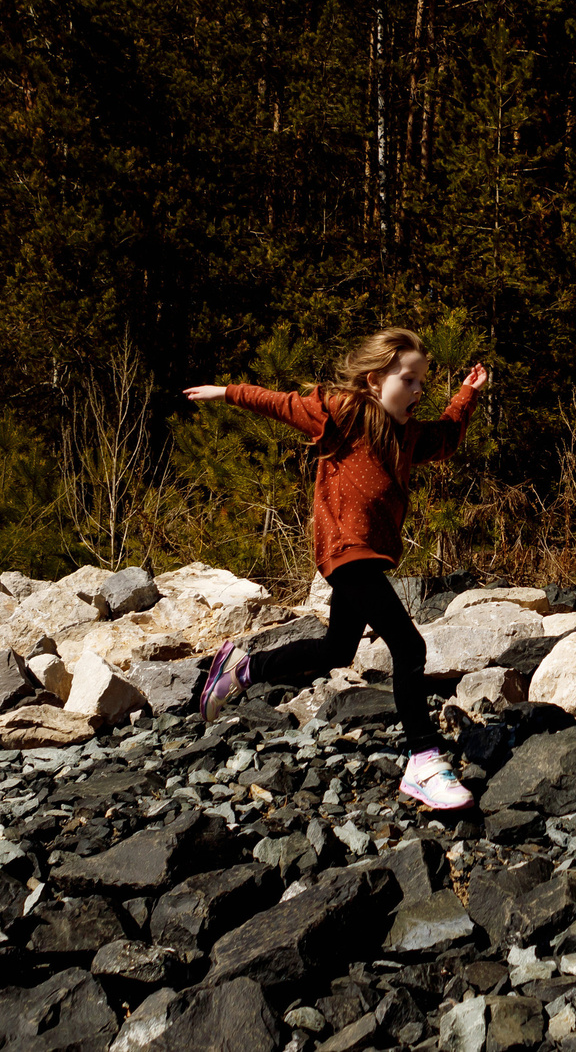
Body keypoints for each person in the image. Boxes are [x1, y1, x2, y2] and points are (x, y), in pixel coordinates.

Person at [182, 328, 490, 813]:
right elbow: (281, 403)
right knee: (409, 646)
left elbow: (448, 436)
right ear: (373, 379)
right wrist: (227, 392)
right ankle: (423, 761)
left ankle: (243, 668)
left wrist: (467, 394)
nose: (417, 392)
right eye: (409, 380)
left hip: (367, 553)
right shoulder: (343, 413)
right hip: (344, 548)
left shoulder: (406, 435)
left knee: (336, 650)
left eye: (422, 384)